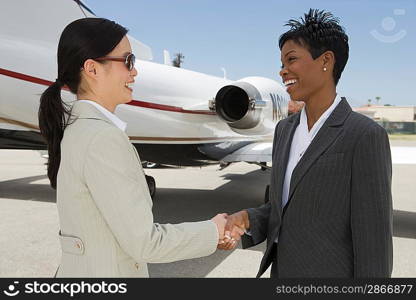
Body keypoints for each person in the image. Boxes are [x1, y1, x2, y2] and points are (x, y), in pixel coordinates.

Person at [38, 18, 231, 277]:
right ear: (92, 69)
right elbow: (145, 243)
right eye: (128, 61)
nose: (135, 72)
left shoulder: (76, 130)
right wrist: (214, 230)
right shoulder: (102, 138)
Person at [219, 9, 393, 278]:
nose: (282, 71)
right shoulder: (284, 130)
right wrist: (249, 218)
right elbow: (286, 207)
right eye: (281, 62)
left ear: (326, 61)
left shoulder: (364, 135)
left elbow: (374, 237)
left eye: (291, 60)